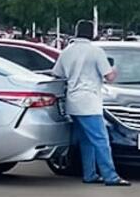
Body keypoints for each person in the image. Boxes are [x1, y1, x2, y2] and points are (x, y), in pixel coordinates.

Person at [51, 20, 130, 187]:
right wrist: (114, 68)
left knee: (87, 140)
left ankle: (90, 173)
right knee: (101, 140)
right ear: (92, 33)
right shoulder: (96, 52)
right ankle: (111, 176)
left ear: (76, 32)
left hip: (73, 101)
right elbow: (109, 77)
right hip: (90, 101)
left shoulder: (66, 51)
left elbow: (57, 73)